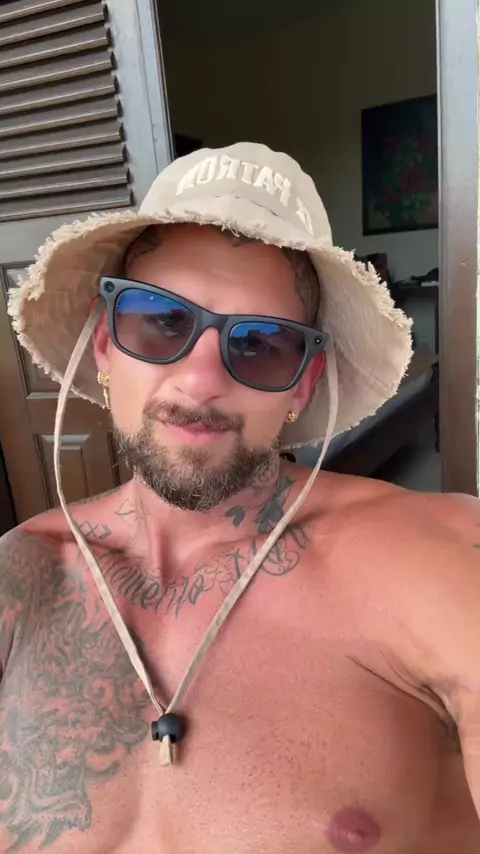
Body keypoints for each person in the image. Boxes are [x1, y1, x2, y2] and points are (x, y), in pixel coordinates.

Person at [1, 142, 479, 854]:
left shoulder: (439, 559)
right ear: (104, 344)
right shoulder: (20, 576)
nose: (201, 381)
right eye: (160, 319)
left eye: (260, 342)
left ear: (304, 383)